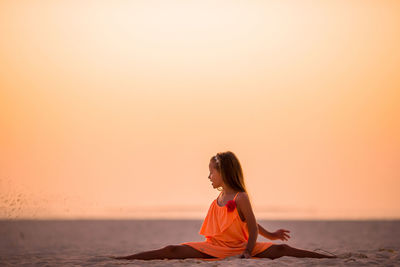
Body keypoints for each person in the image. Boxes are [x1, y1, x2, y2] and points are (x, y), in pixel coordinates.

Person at [112, 151, 336, 261]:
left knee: (284, 250)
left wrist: (253, 248)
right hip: (216, 247)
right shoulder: (217, 200)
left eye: (212, 172)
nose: (209, 176)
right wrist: (271, 233)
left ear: (224, 173)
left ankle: (332, 260)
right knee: (171, 249)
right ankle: (125, 260)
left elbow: (252, 226)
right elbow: (247, 222)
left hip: (240, 248)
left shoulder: (240, 197)